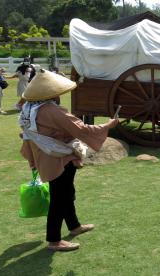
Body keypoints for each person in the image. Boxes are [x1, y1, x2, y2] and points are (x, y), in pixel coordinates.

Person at [19, 69, 119, 251]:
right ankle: (54, 240)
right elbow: (82, 129)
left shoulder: (28, 109)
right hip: (59, 158)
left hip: (45, 156)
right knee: (59, 198)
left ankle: (74, 226)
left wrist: (32, 160)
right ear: (51, 94)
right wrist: (108, 125)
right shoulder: (50, 110)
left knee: (66, 193)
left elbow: (27, 137)